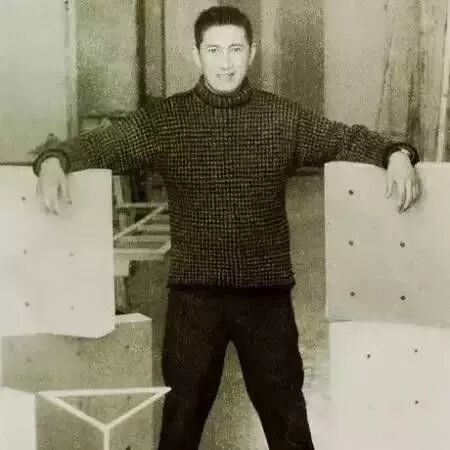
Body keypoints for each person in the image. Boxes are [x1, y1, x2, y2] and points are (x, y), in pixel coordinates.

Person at [33, 6, 421, 449]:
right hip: (194, 299)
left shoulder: (281, 118)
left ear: (252, 52)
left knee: (289, 426)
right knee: (180, 427)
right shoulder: (166, 121)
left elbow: (345, 138)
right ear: (195, 54)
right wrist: (55, 160)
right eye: (214, 50)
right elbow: (102, 145)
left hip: (265, 299)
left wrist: (395, 153)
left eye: (235, 49)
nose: (225, 62)